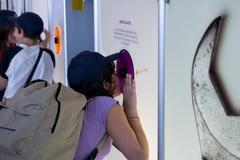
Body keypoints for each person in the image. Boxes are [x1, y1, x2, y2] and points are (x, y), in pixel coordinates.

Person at [68, 51, 149, 160]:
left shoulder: (80, 104)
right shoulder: (106, 106)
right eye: (113, 72)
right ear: (105, 84)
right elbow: (140, 157)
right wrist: (130, 109)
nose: (117, 74)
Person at [0, 12, 55, 100]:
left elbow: (2, 84)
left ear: (21, 32)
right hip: (42, 109)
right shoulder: (49, 55)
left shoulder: (12, 53)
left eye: (14, 30)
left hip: (15, 109)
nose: (13, 34)